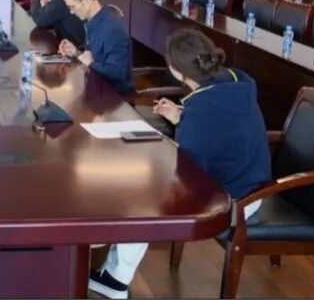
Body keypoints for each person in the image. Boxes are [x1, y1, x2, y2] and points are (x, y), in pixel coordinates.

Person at [89, 29, 272, 299]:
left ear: (178, 71)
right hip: (253, 183)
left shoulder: (201, 108)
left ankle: (114, 280)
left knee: (144, 192)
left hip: (232, 199)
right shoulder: (236, 81)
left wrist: (167, 146)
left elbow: (188, 175)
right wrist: (181, 118)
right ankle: (111, 254)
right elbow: (222, 125)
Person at [56, 0, 133, 94]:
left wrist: (90, 64)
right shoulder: (94, 21)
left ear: (86, 1)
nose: (71, 12)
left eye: (72, 7)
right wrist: (77, 53)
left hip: (113, 96)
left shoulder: (113, 30)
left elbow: (117, 74)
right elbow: (94, 56)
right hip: (94, 86)